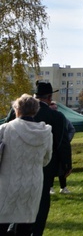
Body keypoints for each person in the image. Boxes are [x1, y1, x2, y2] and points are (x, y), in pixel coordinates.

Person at [4, 81, 71, 235]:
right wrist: (66, 164)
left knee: (14, 198)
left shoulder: (16, 112)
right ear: (49, 97)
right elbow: (61, 142)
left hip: (15, 163)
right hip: (42, 166)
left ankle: (12, 227)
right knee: (40, 202)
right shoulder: (56, 117)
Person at [0, 94, 53, 236]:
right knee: (25, 227)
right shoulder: (46, 132)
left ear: (17, 109)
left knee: (2, 224)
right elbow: (46, 160)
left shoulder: (5, 129)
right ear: (36, 110)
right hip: (33, 183)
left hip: (7, 182)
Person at [48, 100, 75, 195]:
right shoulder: (47, 117)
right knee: (50, 167)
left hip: (60, 146)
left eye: (55, 107)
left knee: (62, 167)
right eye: (52, 106)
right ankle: (50, 187)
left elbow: (71, 129)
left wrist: (66, 140)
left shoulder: (62, 118)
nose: (54, 108)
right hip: (50, 146)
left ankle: (63, 187)